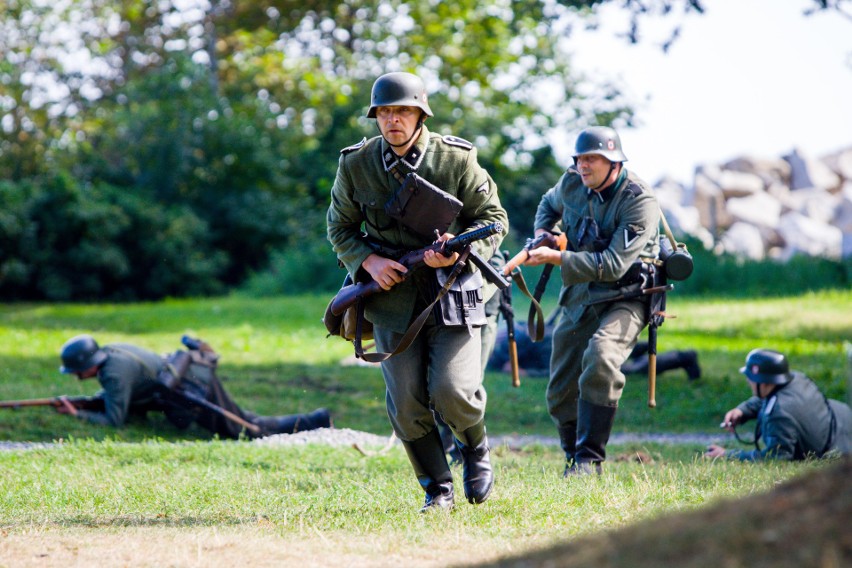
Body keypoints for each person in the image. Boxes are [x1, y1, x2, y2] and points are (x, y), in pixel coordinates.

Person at [326, 71, 508, 511]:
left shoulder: (455, 160)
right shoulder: (356, 164)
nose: (393, 120)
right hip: (391, 295)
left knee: (453, 390)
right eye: (385, 112)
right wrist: (368, 262)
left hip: (453, 289)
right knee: (406, 401)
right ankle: (437, 487)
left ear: (420, 115)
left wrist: (460, 254)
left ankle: (476, 450)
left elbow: (494, 220)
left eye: (403, 111)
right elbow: (340, 227)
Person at [518, 126, 661, 476]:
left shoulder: (638, 200)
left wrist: (555, 259)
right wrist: (543, 234)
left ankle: (589, 460)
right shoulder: (571, 183)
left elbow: (612, 265)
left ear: (613, 162)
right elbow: (548, 205)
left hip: (627, 294)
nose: (584, 166)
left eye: (592, 159)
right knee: (559, 388)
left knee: (601, 357)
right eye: (580, 158)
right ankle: (572, 456)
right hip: (581, 290)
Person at [57, 334, 331, 439]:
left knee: (247, 430)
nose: (77, 376)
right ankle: (316, 419)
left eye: (77, 371)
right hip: (190, 376)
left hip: (190, 389)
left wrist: (77, 414)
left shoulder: (112, 375)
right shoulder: (114, 353)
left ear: (88, 364)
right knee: (248, 422)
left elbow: (113, 419)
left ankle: (315, 421)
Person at [705, 349, 851, 461]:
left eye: (751, 378)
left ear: (764, 381)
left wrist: (727, 455)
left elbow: (777, 457)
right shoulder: (796, 378)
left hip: (840, 449)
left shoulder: (780, 414)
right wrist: (742, 411)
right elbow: (771, 397)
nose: (748, 381)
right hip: (844, 418)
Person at [488, 322, 701, 380]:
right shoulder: (509, 331)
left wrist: (525, 373)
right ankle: (643, 348)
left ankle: (682, 358)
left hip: (565, 348)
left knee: (626, 369)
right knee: (618, 350)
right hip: (569, 335)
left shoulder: (504, 349)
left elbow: (554, 370)